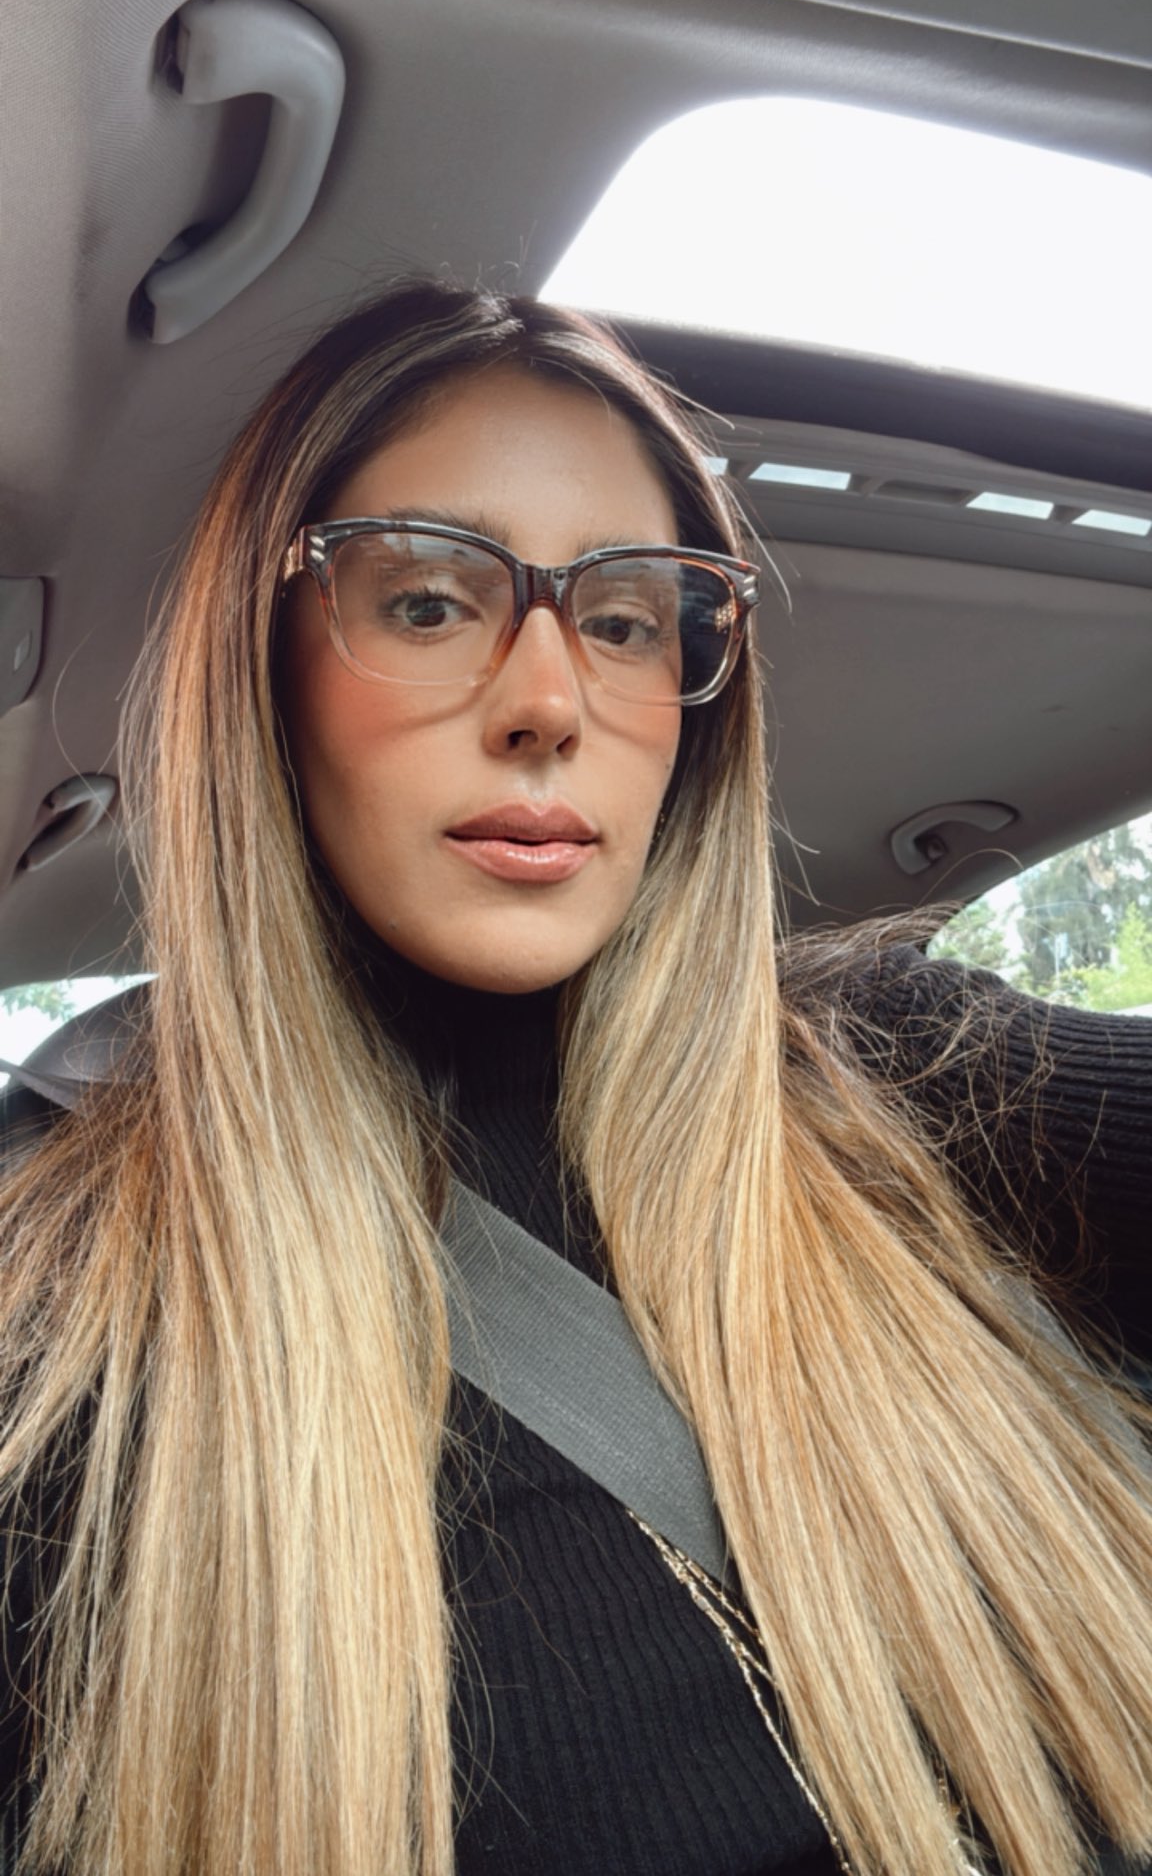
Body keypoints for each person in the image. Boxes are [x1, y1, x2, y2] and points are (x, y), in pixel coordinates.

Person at [0, 278, 1150, 1876]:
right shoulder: (53, 1302)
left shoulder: (911, 1073)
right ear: (258, 671)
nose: (550, 702)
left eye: (623, 621)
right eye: (425, 601)